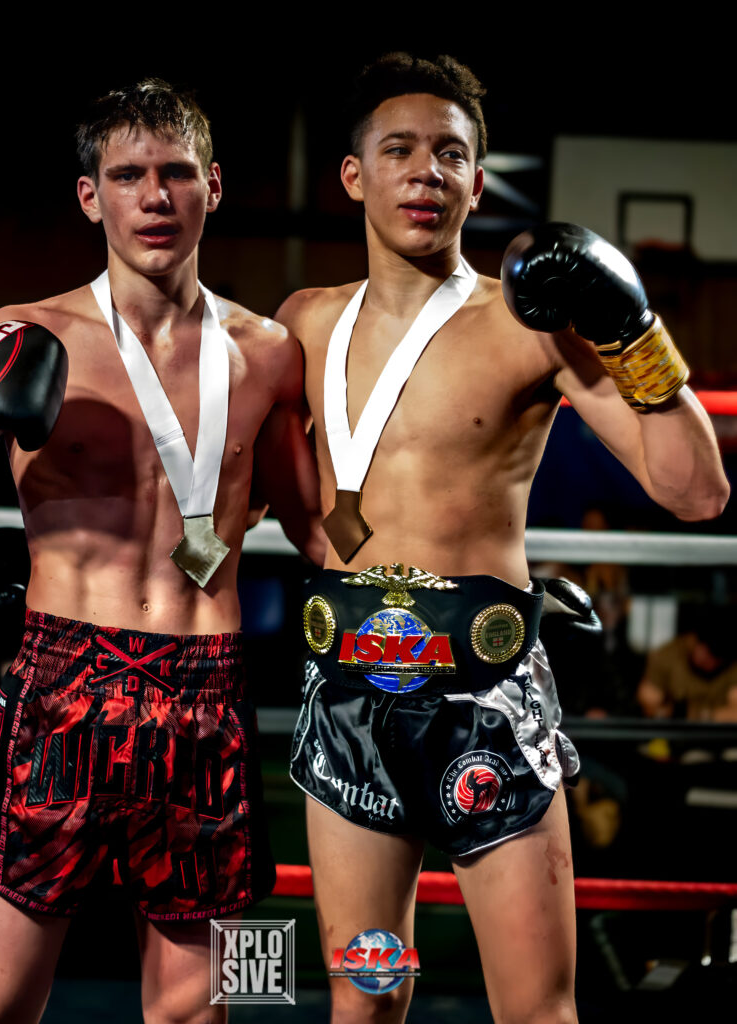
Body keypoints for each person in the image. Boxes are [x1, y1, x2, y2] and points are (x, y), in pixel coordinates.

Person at [278, 53, 729, 1024]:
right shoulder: (303, 323)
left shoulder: (531, 328)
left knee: (535, 1011)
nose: (425, 172)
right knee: (364, 1000)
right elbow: (250, 493)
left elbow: (696, 491)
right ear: (353, 175)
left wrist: (635, 329)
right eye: (399, 150)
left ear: (478, 183)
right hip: (348, 700)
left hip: (485, 705)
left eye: (450, 154)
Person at [0, 77, 323, 1024]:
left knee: (201, 1011)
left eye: (176, 173)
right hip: (60, 685)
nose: (154, 197)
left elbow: (318, 529)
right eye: (127, 176)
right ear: (90, 196)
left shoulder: (271, 352)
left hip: (210, 692)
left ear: (213, 185)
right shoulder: (23, 332)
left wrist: (466, 589)